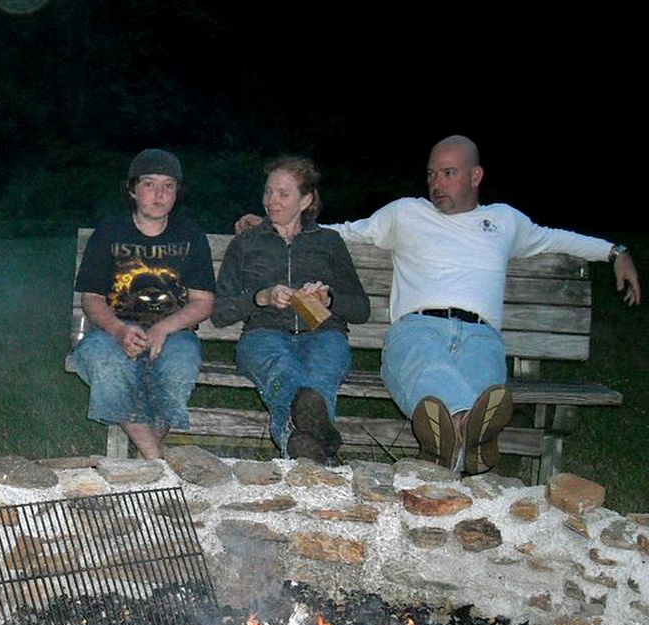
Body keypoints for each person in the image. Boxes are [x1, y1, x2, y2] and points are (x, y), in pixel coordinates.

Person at [238, 135, 641, 473]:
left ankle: (451, 441)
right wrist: (275, 223)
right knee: (434, 372)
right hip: (418, 330)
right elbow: (341, 232)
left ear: (475, 176)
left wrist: (614, 252)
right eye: (432, 173)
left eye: (448, 173)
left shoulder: (504, 221)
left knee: (483, 385)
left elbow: (555, 238)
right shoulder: (405, 213)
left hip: (481, 335)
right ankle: (470, 435)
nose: (437, 182)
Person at [214, 156, 369, 463]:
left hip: (324, 334)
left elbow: (361, 309)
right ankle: (321, 447)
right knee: (285, 373)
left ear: (306, 200)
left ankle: (300, 450)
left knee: (317, 380)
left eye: (283, 194)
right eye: (268, 192)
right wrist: (260, 298)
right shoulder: (246, 243)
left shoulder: (328, 242)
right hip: (264, 334)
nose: (272, 201)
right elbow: (220, 312)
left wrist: (330, 299)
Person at [72, 148, 215, 459]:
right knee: (108, 364)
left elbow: (203, 302)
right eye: (150, 184)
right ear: (132, 190)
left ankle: (148, 456)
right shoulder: (110, 232)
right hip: (112, 331)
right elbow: (92, 299)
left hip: (174, 332)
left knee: (179, 366)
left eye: (168, 185)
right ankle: (155, 458)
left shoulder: (190, 235)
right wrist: (119, 330)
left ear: (177, 192)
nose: (159, 194)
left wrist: (165, 327)